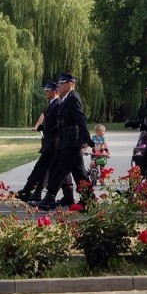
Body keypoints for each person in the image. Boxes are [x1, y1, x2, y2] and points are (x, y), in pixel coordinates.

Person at [36, 72, 92, 211]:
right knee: (78, 171)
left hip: (72, 140)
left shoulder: (73, 98)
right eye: (59, 84)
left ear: (70, 84)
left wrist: (86, 137)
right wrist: (50, 130)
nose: (59, 86)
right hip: (66, 138)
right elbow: (63, 121)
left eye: (62, 84)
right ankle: (89, 199)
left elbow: (80, 118)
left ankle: (48, 198)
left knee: (62, 168)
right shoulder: (66, 98)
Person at [16, 82, 61, 203]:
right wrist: (42, 127)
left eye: (48, 90)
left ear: (55, 91)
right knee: (44, 168)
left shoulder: (57, 104)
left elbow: (58, 123)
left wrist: (50, 130)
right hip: (49, 141)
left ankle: (28, 190)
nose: (46, 92)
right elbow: (48, 118)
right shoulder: (52, 104)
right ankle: (35, 193)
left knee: (41, 167)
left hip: (53, 143)